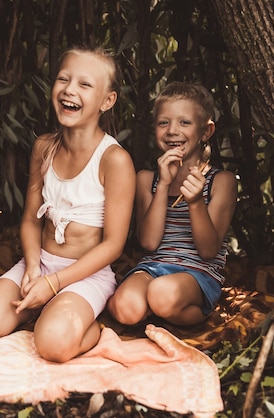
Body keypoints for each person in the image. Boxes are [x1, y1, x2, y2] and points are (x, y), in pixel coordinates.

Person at [0, 46, 136, 363]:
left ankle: (90, 328)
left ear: (107, 100)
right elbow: (31, 219)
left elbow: (114, 244)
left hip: (85, 276)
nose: (69, 89)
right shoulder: (44, 146)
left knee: (53, 346)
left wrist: (54, 283)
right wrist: (33, 267)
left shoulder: (114, 160)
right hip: (40, 265)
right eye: (63, 79)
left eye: (85, 84)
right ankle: (47, 309)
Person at [107, 81, 237, 327]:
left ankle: (180, 312)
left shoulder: (221, 181)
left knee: (161, 295)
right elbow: (149, 242)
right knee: (124, 308)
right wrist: (164, 185)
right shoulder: (147, 179)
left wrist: (196, 201)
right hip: (153, 266)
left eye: (184, 122)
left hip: (196, 274)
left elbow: (208, 250)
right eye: (163, 122)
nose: (172, 131)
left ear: (205, 132)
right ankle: (160, 312)